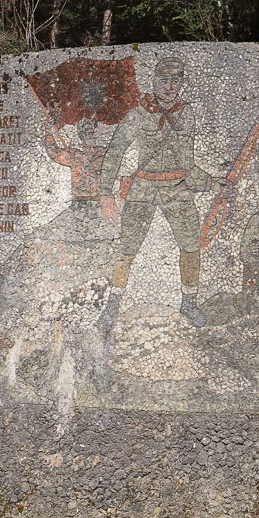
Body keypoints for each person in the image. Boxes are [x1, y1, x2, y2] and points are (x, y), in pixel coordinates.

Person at [96, 56, 223, 331]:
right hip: (143, 187)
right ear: (153, 81)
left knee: (191, 246)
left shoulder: (185, 113)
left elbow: (187, 164)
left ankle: (189, 302)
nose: (169, 85)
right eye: (164, 80)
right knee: (127, 249)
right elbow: (115, 150)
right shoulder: (138, 113)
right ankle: (113, 305)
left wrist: (210, 182)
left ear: (181, 83)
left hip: (177, 188)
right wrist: (106, 194)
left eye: (175, 80)